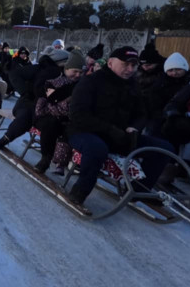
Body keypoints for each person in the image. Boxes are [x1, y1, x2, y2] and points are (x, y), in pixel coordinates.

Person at [65, 46, 175, 208]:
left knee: (163, 148)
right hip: (84, 132)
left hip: (121, 136)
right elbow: (78, 115)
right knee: (97, 148)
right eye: (125, 65)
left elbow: (142, 113)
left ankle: (139, 190)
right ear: (110, 63)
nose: (130, 69)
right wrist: (110, 129)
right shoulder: (91, 82)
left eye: (134, 65)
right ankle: (80, 191)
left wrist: (134, 127)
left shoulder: (133, 85)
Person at [0, 49, 69, 151]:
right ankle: (5, 139)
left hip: (46, 107)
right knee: (26, 117)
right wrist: (26, 91)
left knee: (53, 123)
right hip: (27, 102)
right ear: (60, 62)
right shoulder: (39, 68)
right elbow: (14, 74)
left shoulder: (66, 75)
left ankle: (52, 153)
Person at [32, 50, 86, 174]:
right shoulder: (54, 80)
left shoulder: (82, 84)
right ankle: (46, 158)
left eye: (81, 72)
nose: (78, 75)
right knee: (51, 125)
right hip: (48, 114)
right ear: (67, 69)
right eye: (75, 71)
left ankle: (62, 163)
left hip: (70, 118)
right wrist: (66, 100)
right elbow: (49, 99)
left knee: (69, 129)